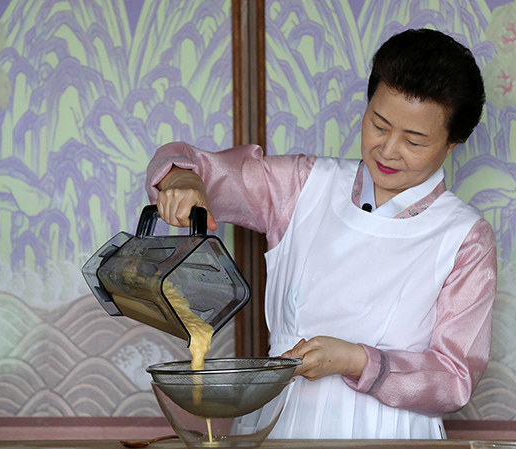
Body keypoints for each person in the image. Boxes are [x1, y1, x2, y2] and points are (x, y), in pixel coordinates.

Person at [145, 28, 496, 439]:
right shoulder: (303, 185)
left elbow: (454, 377)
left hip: (392, 433)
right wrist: (183, 183)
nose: (388, 149)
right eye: (378, 124)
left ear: (453, 143)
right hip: (279, 422)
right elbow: (189, 162)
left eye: (414, 140)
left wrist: (356, 360)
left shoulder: (465, 237)